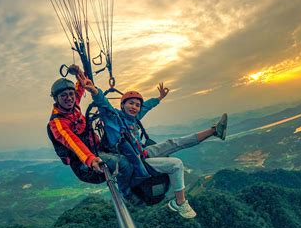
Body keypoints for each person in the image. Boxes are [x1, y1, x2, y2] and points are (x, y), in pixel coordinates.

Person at [77, 72, 228, 219]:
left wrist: (159, 98)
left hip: (141, 153)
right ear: (122, 105)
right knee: (176, 164)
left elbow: (146, 106)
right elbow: (104, 104)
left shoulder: (133, 118)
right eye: (130, 103)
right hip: (134, 163)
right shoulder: (113, 119)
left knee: (174, 143)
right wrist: (94, 90)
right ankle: (180, 203)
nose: (134, 107)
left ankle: (214, 131)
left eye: (137, 105)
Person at [47, 65, 134, 198]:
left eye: (71, 94)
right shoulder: (57, 123)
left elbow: (82, 85)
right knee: (123, 163)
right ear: (56, 99)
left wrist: (78, 72)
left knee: (125, 146)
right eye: (63, 96)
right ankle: (128, 195)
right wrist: (91, 160)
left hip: (95, 149)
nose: (69, 98)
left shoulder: (73, 106)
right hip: (84, 164)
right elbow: (72, 141)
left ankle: (133, 183)